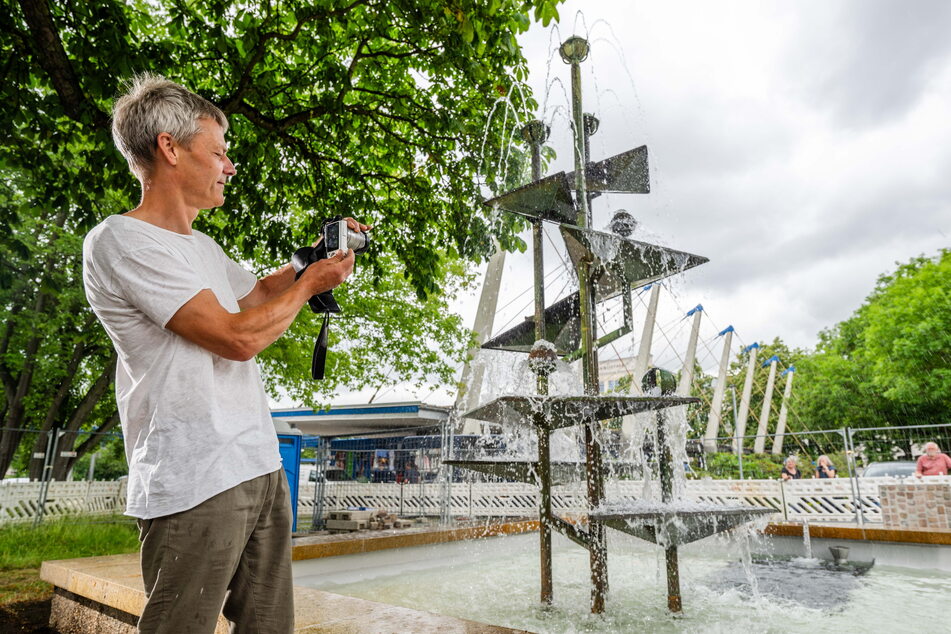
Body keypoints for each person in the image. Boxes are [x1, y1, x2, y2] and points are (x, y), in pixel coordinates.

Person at [83, 73, 369, 633]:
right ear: (169, 148)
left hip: (257, 463)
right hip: (194, 473)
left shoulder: (203, 247)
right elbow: (236, 337)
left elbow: (258, 295)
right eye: (219, 152)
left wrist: (305, 263)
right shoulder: (120, 241)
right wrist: (310, 287)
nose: (229, 166)